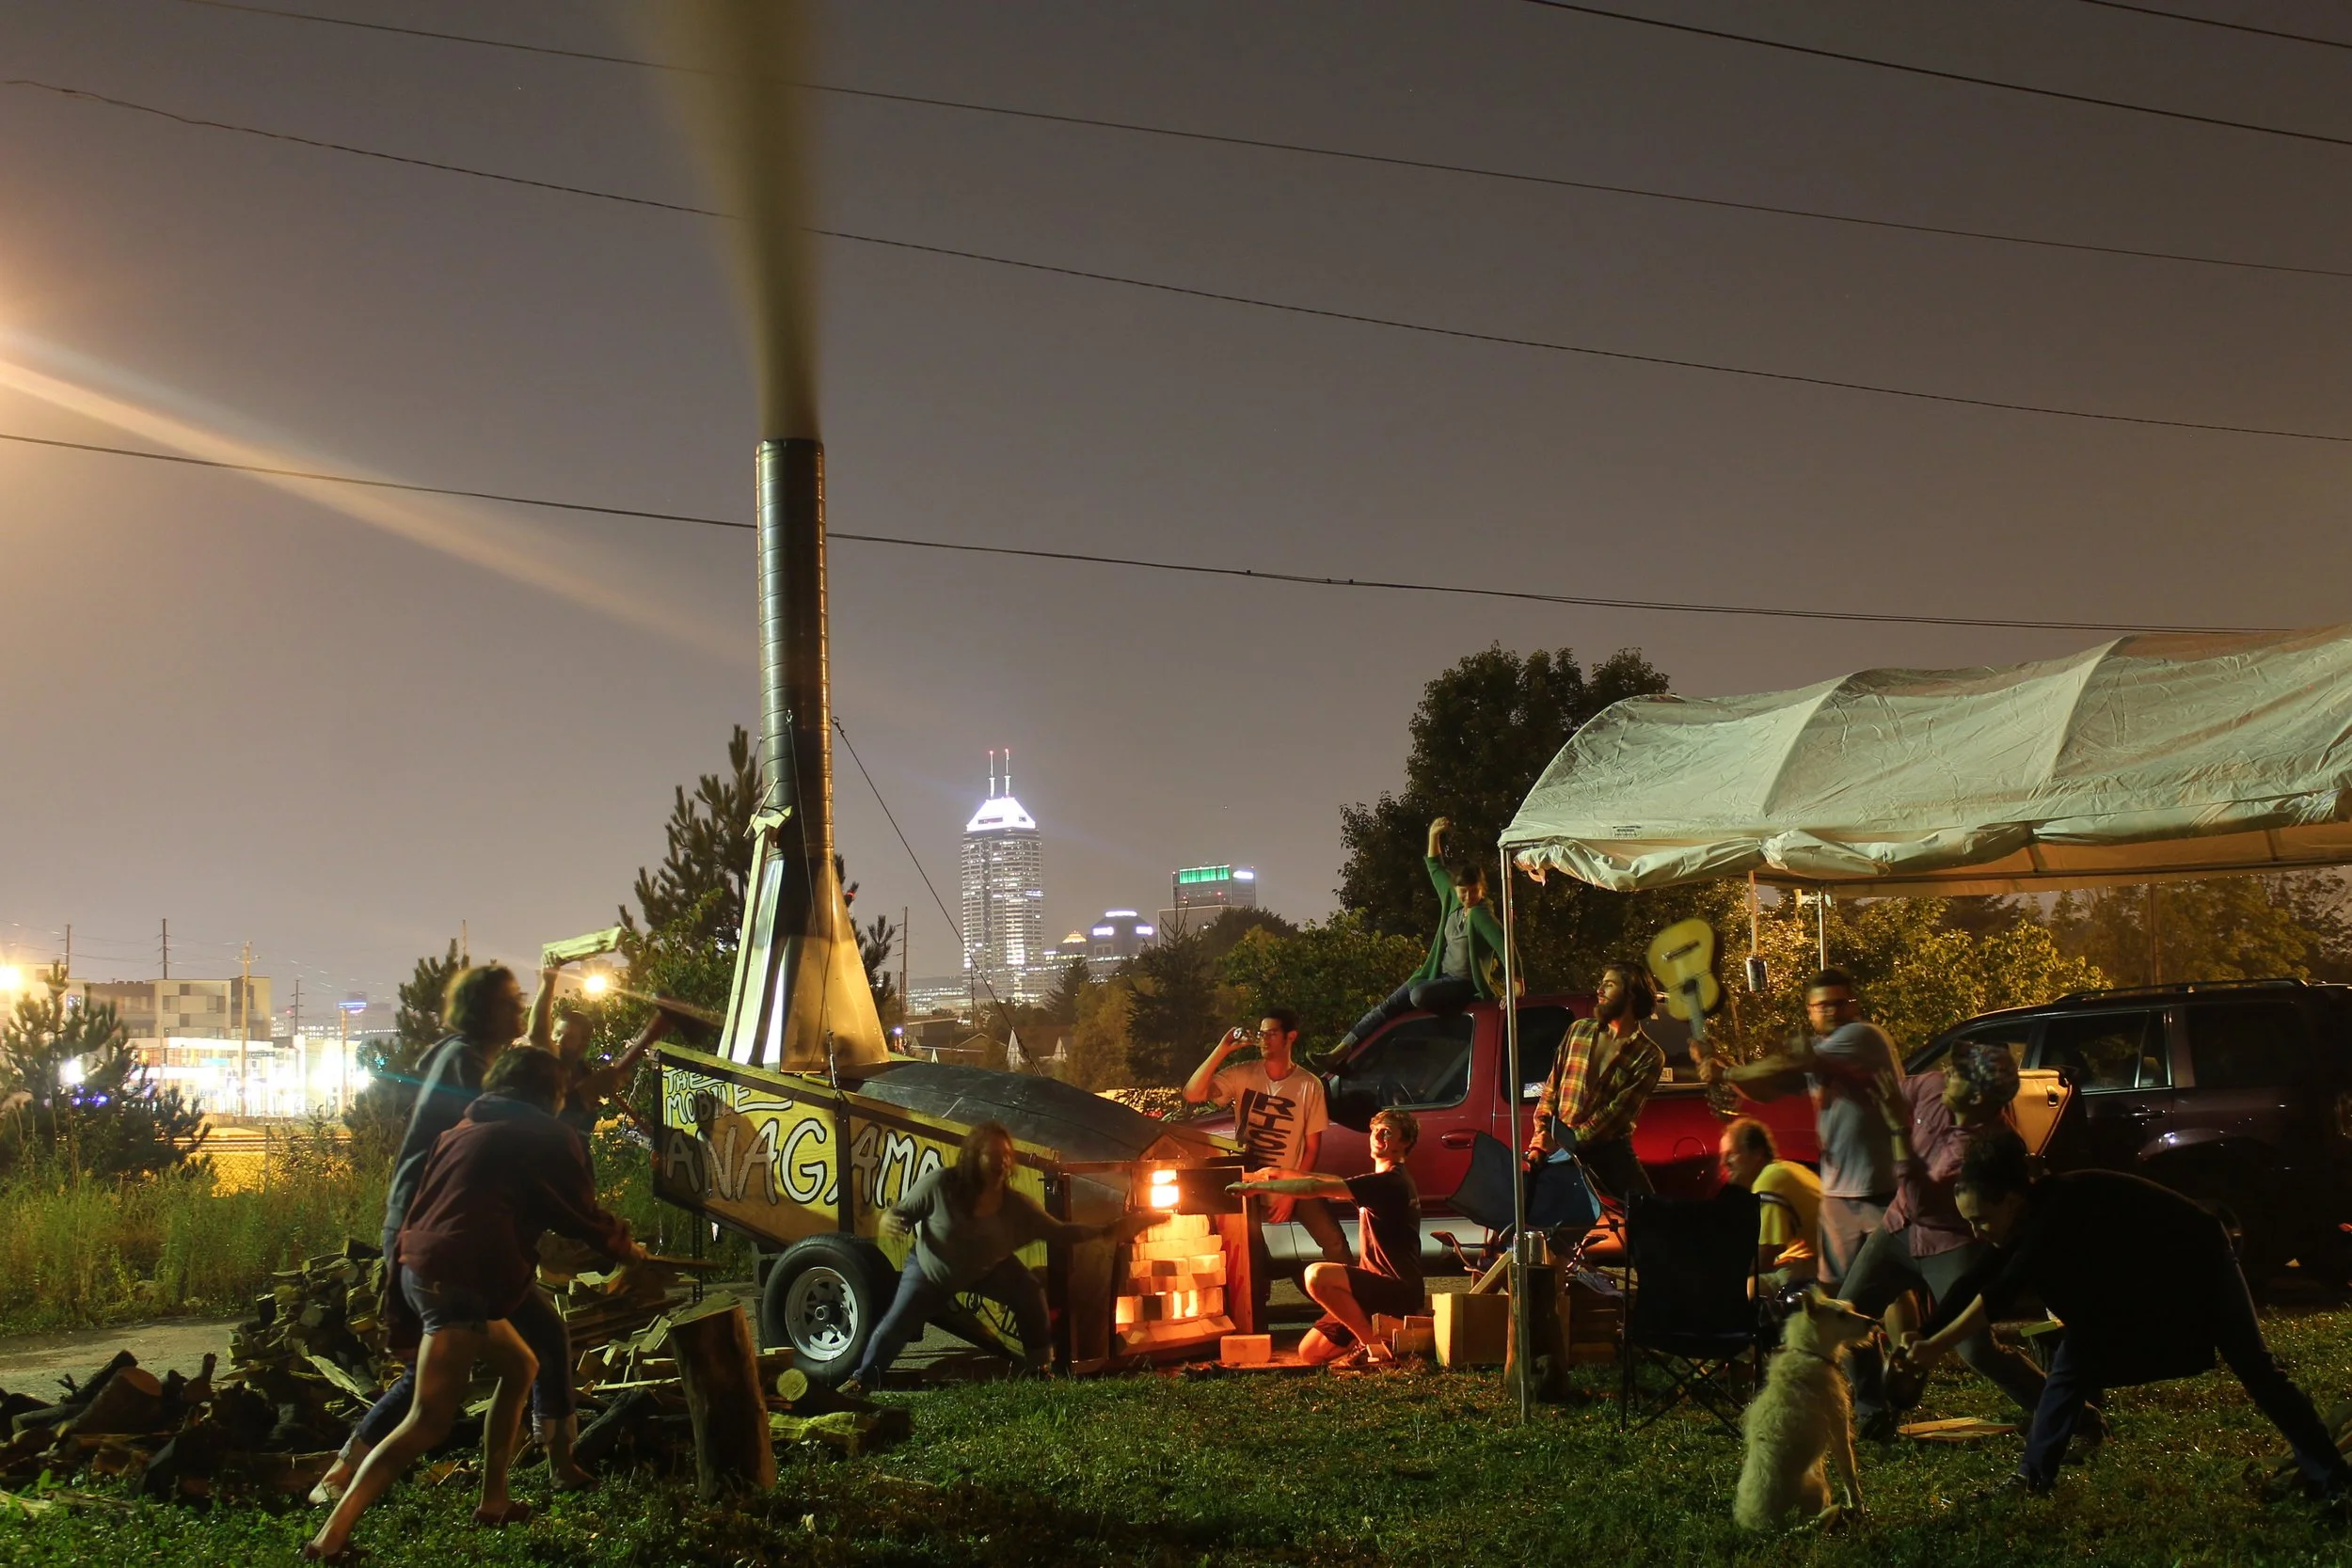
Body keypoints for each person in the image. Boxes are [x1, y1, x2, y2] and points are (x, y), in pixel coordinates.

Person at [306, 1047, 643, 1560]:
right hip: (458, 1278)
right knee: (427, 1419)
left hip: (431, 1267)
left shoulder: (462, 1130)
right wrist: (624, 1248)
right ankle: (328, 1541)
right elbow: (578, 1212)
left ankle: (494, 1501)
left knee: (522, 1362)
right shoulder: (544, 1134)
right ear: (549, 1094)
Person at [1905, 1130, 2352, 1504]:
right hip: (2142, 1277)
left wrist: (1934, 1348)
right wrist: (1923, 1333)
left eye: (1981, 1220)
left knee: (2255, 1367)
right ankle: (2032, 1479)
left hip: (2199, 1256)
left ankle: (2330, 1473)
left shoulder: (2055, 1210)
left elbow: (2000, 1293)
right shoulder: (2023, 1219)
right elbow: (1975, 1280)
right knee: (2073, 1359)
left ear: (2011, 1200)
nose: (1976, 1232)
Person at [843, 1122, 1159, 1394]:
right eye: (993, 1154)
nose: (1002, 1161)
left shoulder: (1017, 1207)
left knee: (1029, 1292)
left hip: (988, 1269)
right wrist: (890, 1221)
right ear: (972, 1158)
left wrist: (1112, 1230)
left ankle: (1039, 1369)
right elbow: (899, 1212)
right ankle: (863, 1380)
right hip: (931, 1269)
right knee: (896, 1324)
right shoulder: (940, 1185)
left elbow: (1063, 1233)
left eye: (1007, 1155)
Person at [1838, 1039, 2046, 1440]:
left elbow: (1924, 1202)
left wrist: (1898, 1128)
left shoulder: (1986, 1147)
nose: (1947, 1073)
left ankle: (2062, 1408)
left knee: (1975, 1349)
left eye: (1959, 1072)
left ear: (1981, 1094)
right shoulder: (1933, 1088)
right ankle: (1873, 1414)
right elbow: (1881, 1091)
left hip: (1951, 1241)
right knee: (1851, 1318)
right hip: (1898, 1227)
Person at [1702, 968, 1903, 1291]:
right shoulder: (1818, 1052)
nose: (1834, 1011)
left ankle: (1910, 1340)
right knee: (1840, 1289)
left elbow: (1788, 1064)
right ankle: (1857, 1341)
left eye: (1842, 1003)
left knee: (1890, 1285)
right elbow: (1768, 1088)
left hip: (1881, 1188)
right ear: (1810, 1010)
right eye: (1824, 1006)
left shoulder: (1862, 1037)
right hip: (1839, 1192)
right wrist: (1721, 1068)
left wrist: (1724, 1074)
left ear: (1854, 1006)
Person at [1232, 1108, 1423, 1369]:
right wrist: (1278, 1173)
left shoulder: (1391, 1183)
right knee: (1310, 1352)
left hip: (1395, 1291)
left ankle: (1375, 1347)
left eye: (1387, 1132)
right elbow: (1329, 1180)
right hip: (1373, 1290)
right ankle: (1379, 1340)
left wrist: (1257, 1187)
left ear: (1404, 1142)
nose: (1378, 1136)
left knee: (1316, 1275)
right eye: (1375, 1130)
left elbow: (1314, 1188)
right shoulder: (1384, 1181)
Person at [1183, 1006, 1348, 1281]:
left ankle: (1354, 1297)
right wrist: (1222, 1050)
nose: (1264, 1040)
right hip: (1251, 1181)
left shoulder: (1308, 1084)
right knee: (1251, 1253)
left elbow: (1312, 1148)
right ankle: (1255, 1310)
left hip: (1290, 1179)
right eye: (1262, 1034)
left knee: (1334, 1241)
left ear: (1290, 1037)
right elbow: (1193, 1093)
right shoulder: (1243, 1073)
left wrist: (1290, 1194)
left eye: (1272, 1034)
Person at [1334, 817, 1507, 1054]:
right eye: (1463, 892)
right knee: (1391, 1004)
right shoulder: (1454, 899)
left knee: (1418, 996)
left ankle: (1454, 1025)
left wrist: (1515, 985)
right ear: (1456, 890)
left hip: (1462, 984)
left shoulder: (1482, 915)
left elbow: (1505, 945)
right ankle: (1342, 1049)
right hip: (1438, 975)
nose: (1468, 897)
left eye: (1474, 891)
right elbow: (1436, 866)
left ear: (1482, 889)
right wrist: (1434, 835)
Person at [1525, 962, 1667, 1202]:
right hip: (1560, 1141)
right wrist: (1541, 1137)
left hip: (1608, 1150)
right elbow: (1552, 1088)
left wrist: (1562, 1143)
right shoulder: (1578, 1030)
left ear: (1631, 994)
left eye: (1609, 985)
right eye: (1600, 984)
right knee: (1548, 1217)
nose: (1599, 991)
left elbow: (1615, 1115)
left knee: (1648, 1213)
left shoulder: (1648, 1055)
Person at [1717, 1117, 1822, 1290]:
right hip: (1829, 1261)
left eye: (1731, 1154)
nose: (1723, 1163)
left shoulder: (1769, 1181)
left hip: (1827, 1272)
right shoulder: (1785, 1168)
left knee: (1747, 1288)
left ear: (1757, 1152)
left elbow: (1763, 1259)